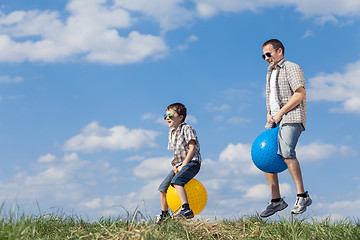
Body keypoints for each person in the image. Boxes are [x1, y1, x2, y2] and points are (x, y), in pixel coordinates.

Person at [260, 39, 312, 218]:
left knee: (287, 152)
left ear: (279, 51)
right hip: (274, 120)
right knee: (265, 157)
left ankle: (302, 196)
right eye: (263, 55)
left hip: (291, 117)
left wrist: (280, 113)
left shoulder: (291, 67)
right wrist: (269, 113)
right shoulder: (270, 72)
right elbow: (272, 97)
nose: (266, 58)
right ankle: (276, 200)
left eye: (269, 54)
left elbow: (300, 94)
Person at [156, 103, 202, 224]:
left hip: (192, 163)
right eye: (165, 115)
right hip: (180, 164)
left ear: (181, 117)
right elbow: (176, 154)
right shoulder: (171, 133)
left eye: (170, 115)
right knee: (162, 188)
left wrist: (183, 165)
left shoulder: (187, 128)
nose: (167, 118)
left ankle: (186, 209)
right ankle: (165, 215)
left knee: (177, 181)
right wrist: (176, 166)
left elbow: (192, 149)